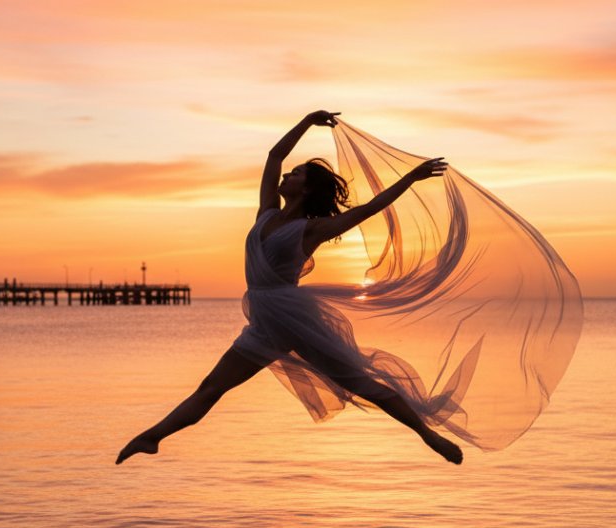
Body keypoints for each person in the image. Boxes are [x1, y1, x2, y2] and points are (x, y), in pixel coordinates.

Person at [116, 111, 464, 465]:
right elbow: (274, 157)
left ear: (308, 188)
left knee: (362, 383)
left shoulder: (311, 230)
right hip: (265, 325)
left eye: (296, 174)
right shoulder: (266, 213)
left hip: (294, 319)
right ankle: (152, 437)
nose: (287, 174)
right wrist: (307, 121)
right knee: (211, 387)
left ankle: (428, 434)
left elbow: (369, 209)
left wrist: (412, 177)